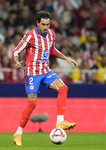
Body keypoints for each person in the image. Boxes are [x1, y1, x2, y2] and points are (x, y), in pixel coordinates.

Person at [12, 10, 77, 146]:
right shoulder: (30, 36)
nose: (46, 27)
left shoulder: (51, 34)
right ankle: (18, 133)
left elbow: (52, 49)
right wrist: (16, 61)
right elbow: (16, 51)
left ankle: (60, 121)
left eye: (48, 24)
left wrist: (66, 58)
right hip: (32, 73)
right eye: (43, 24)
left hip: (45, 71)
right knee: (32, 104)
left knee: (63, 88)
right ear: (37, 22)